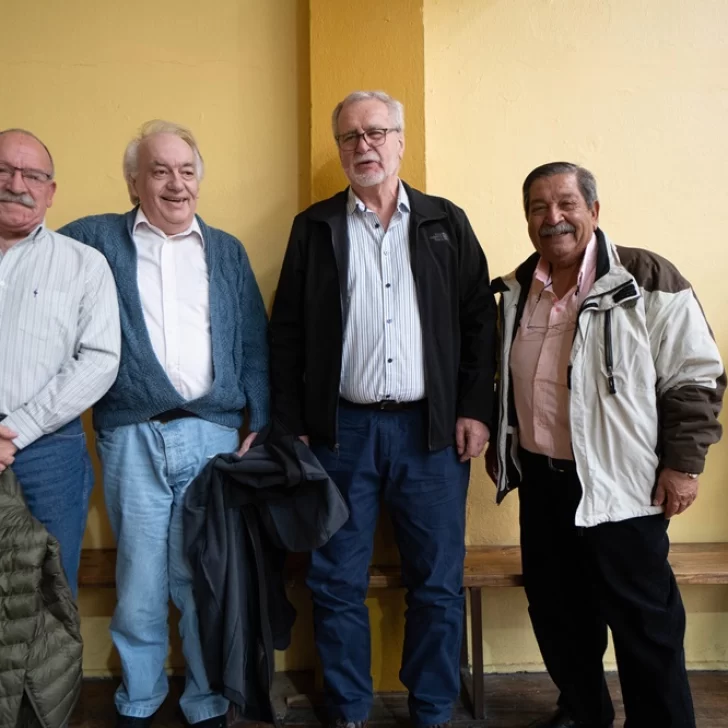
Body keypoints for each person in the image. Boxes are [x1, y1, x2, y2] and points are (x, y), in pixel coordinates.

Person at [269, 90, 497, 728]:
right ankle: (348, 709)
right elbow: (285, 333)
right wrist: (294, 429)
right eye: (349, 137)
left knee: (437, 584)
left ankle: (431, 709)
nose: (362, 146)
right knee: (334, 582)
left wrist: (475, 409)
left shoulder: (445, 223)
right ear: (339, 148)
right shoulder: (314, 227)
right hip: (339, 434)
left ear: (400, 141)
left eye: (375, 133)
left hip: (431, 435)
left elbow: (481, 323)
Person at [487, 161, 725, 728]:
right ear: (527, 221)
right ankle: (584, 710)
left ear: (594, 211)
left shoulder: (647, 279)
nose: (554, 218)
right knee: (559, 616)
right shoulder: (518, 291)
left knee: (645, 623)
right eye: (539, 208)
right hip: (544, 483)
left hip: (623, 484)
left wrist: (683, 466)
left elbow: (695, 376)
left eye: (566, 203)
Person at [59, 120, 270, 728]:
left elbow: (253, 340)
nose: (175, 184)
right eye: (159, 171)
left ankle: (207, 698)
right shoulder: (95, 239)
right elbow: (33, 261)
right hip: (131, 433)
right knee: (141, 575)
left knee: (202, 574)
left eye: (185, 171)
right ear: (134, 184)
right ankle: (141, 696)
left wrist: (261, 417)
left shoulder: (226, 249)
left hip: (214, 434)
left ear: (198, 180)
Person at [0, 127, 120, 596]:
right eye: (5, 171)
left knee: (48, 594)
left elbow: (100, 359)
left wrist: (18, 431)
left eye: (33, 175)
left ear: (51, 192)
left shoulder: (83, 264)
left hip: (48, 454)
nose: (17, 184)